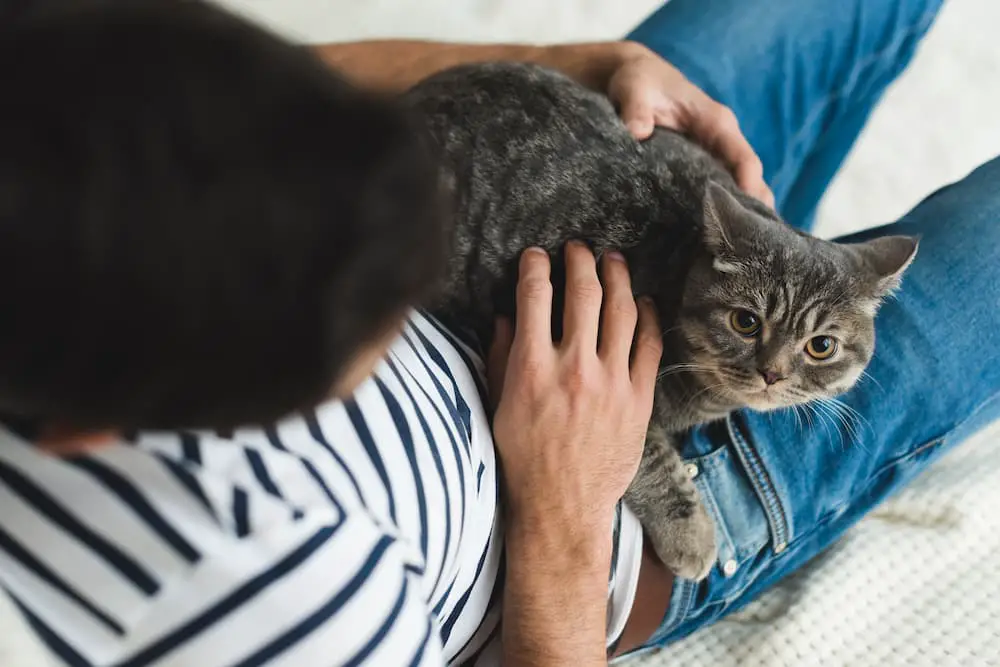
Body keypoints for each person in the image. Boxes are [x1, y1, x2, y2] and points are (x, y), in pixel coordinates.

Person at [1, 0, 997, 666]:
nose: (397, 296)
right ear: (95, 429)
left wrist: (568, 65)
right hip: (620, 477)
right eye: (363, 318)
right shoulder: (252, 599)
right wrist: (565, 503)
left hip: (595, 176)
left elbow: (258, 88)